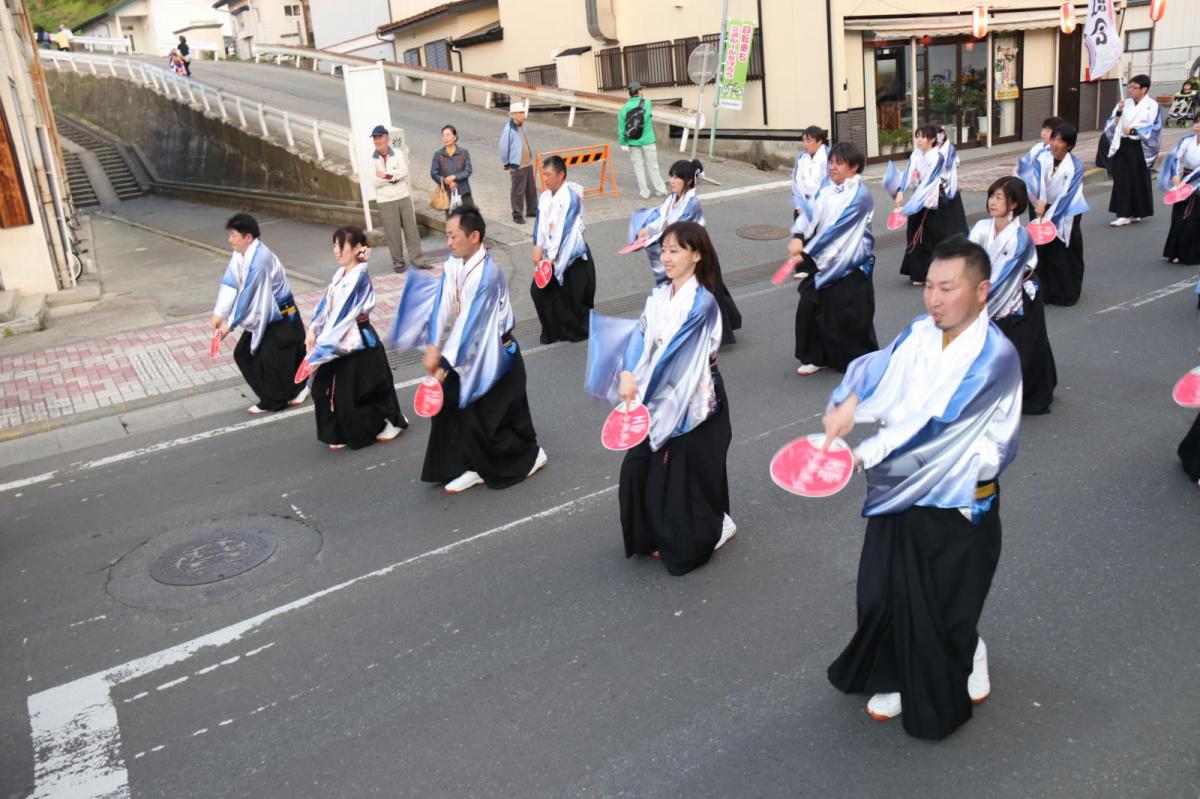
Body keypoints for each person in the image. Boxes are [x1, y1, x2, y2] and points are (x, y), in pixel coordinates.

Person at [823, 236, 1022, 741]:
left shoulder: (995, 358)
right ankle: (894, 672)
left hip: (958, 497)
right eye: (929, 286)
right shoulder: (919, 332)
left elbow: (941, 431)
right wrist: (849, 402)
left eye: (947, 288)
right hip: (901, 487)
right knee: (880, 594)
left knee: (943, 607)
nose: (933, 298)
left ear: (981, 292)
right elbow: (877, 372)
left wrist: (862, 454)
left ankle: (966, 652)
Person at [585, 221, 735, 576]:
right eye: (664, 250)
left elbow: (675, 362)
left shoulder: (704, 306)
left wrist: (640, 391)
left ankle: (716, 526)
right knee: (638, 469)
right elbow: (640, 336)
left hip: (690, 405)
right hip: (654, 396)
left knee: (682, 478)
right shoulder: (658, 297)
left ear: (696, 255)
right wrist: (625, 373)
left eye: (675, 250)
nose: (666, 258)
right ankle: (652, 533)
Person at [387, 206, 547, 493]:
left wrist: (443, 364)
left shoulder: (488, 275)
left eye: (452, 236)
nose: (448, 242)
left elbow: (470, 326)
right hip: (469, 355)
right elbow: (442, 304)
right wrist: (433, 344)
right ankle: (468, 465)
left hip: (496, 357)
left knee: (487, 422)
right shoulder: (455, 264)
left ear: (474, 236)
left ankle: (530, 457)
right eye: (446, 236)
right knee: (451, 408)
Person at [301, 225, 407, 450]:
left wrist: (320, 348)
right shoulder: (340, 274)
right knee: (328, 387)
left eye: (341, 246)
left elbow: (342, 315)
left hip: (358, 341)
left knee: (365, 388)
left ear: (357, 248)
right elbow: (325, 305)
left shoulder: (358, 277)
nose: (336, 251)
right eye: (334, 246)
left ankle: (391, 421)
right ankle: (339, 431)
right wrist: (313, 328)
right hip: (339, 340)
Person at [787, 141, 878, 376]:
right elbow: (810, 214)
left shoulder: (862, 196)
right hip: (825, 261)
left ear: (854, 166)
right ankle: (817, 356)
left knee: (848, 317)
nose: (832, 167)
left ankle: (859, 360)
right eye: (831, 162)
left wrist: (805, 252)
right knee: (810, 307)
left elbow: (836, 230)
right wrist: (798, 234)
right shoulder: (826, 191)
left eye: (839, 163)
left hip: (851, 265)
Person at [628, 159, 741, 344]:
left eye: (676, 177)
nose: (671, 181)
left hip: (698, 255)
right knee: (697, 292)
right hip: (684, 252)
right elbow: (660, 217)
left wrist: (649, 240)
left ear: (688, 181)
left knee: (702, 294)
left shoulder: (692, 203)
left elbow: (676, 229)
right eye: (671, 176)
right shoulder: (672, 198)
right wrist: (647, 229)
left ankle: (708, 333)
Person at [969, 180, 1057, 415]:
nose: (992, 202)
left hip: (1016, 297)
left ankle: (1017, 394)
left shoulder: (1021, 236)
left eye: (999, 197)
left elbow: (1021, 269)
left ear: (1014, 204)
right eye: (991, 196)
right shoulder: (980, 228)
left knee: (1021, 349)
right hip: (986, 294)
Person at [211, 213, 308, 414]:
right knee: (276, 358)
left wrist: (229, 325)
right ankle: (294, 391)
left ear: (248, 237)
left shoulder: (260, 261)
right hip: (271, 314)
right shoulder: (240, 254)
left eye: (233, 235)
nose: (230, 240)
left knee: (255, 356)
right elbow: (230, 282)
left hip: (279, 315)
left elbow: (248, 297)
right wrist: (219, 312)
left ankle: (275, 400)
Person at [1022, 123, 1089, 306]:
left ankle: (1067, 292)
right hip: (1042, 207)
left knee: (1064, 250)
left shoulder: (1074, 166)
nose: (1055, 143)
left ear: (1069, 145)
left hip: (1067, 210)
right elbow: (1036, 180)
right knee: (1042, 250)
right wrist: (1040, 202)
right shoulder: (1042, 157)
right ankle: (1044, 291)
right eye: (1053, 139)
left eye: (1060, 140)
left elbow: (1068, 195)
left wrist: (1049, 218)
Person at [530, 155, 595, 343]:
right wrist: (537, 245)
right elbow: (540, 225)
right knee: (538, 291)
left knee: (569, 297)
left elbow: (565, 232)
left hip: (569, 255)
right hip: (549, 254)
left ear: (561, 174)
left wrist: (552, 260)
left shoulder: (571, 199)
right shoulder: (544, 197)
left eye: (549, 174)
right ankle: (552, 330)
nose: (546, 178)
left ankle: (571, 331)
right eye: (544, 174)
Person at [893, 125, 968, 286]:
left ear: (932, 139)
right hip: (919, 198)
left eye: (923, 136)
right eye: (917, 136)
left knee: (937, 234)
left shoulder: (938, 157)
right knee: (916, 234)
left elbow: (930, 181)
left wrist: (916, 200)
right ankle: (919, 272)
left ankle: (943, 271)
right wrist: (900, 191)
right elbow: (908, 173)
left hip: (936, 199)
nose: (919, 140)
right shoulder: (916, 154)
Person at [1105, 74, 1161, 227]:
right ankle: (1123, 214)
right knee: (1122, 179)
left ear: (1144, 89)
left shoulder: (1152, 105)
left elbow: (1153, 128)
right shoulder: (1124, 103)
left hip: (1140, 146)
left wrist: (1134, 132)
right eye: (1128, 87)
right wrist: (1119, 112)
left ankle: (1137, 212)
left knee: (1138, 179)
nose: (1130, 90)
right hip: (1123, 144)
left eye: (1134, 87)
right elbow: (1112, 124)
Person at [368, 124, 424, 273]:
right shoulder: (372, 159)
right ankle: (398, 262)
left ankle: (418, 259)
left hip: (402, 195)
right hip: (385, 199)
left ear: (386, 138)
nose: (377, 141)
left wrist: (386, 176)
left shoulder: (397, 153)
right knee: (392, 233)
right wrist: (393, 178)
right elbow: (374, 181)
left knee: (411, 229)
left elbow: (404, 172)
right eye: (375, 138)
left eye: (380, 137)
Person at [1160, 114, 1200, 265]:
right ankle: (1176, 252)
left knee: (1193, 220)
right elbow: (1175, 158)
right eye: (1196, 123)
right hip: (1185, 181)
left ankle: (1190, 254)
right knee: (1178, 217)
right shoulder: (1187, 141)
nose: (1198, 126)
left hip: (1198, 184)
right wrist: (1175, 175)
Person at [618, 81, 668, 200]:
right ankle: (660, 190)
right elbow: (648, 118)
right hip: (647, 140)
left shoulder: (624, 108)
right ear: (639, 91)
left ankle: (644, 193)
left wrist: (623, 142)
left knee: (638, 167)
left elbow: (621, 127)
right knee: (653, 166)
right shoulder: (647, 103)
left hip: (633, 141)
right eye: (641, 89)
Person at [499, 101, 537, 225]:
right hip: (517, 165)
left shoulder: (522, 126)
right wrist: (507, 163)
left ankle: (532, 210)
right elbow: (503, 147)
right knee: (518, 191)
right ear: (513, 115)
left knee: (531, 189)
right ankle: (517, 214)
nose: (523, 115)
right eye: (520, 113)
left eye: (523, 113)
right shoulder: (509, 129)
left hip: (527, 162)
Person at [430, 124, 473, 211]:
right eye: (443, 135)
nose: (446, 138)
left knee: (468, 218)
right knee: (451, 220)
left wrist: (455, 177)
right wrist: (446, 181)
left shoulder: (463, 152)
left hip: (463, 191)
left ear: (455, 137)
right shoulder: (438, 154)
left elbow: (468, 170)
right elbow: (434, 173)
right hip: (447, 193)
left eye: (448, 135)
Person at [792, 125, 829, 222]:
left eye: (809, 141)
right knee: (800, 236)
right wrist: (799, 205)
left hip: (822, 209)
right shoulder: (801, 157)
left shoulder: (828, 157)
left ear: (819, 141)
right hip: (802, 208)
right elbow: (796, 182)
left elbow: (828, 185)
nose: (805, 144)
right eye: (804, 141)